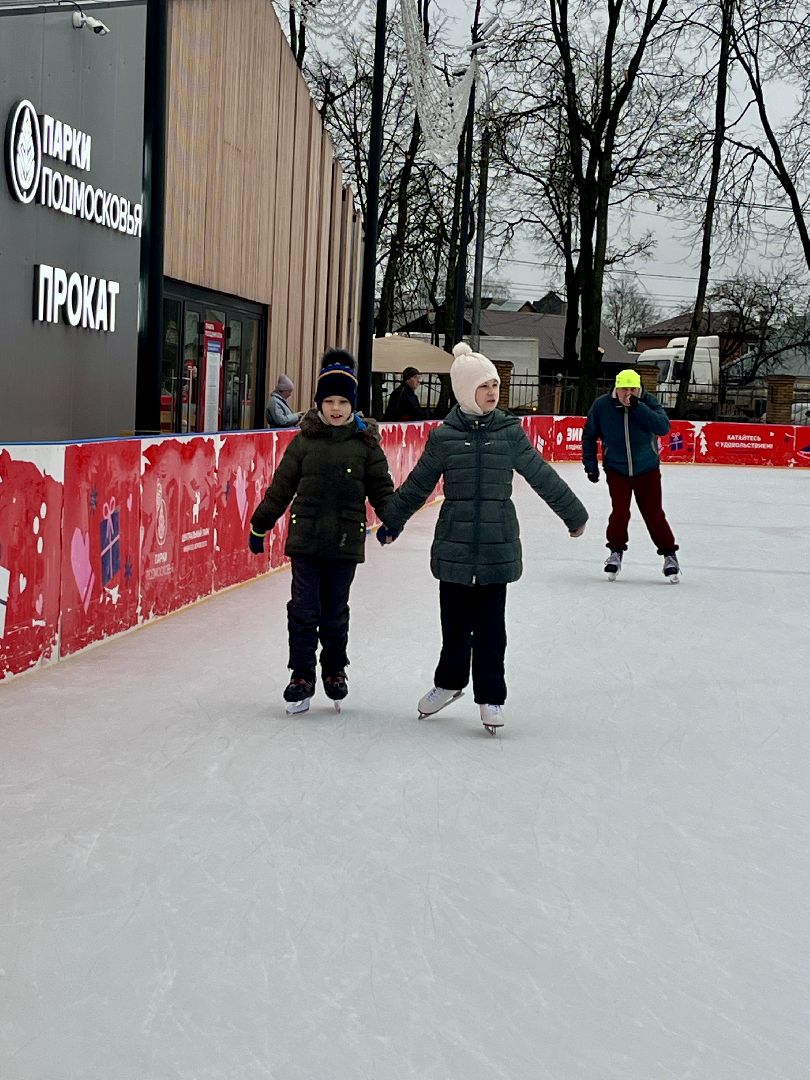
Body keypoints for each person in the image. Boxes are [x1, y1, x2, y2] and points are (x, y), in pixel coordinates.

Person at [376, 342, 588, 734]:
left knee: (492, 629)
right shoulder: (445, 437)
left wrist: (572, 514)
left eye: (494, 384)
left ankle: (490, 695)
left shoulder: (509, 432)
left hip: (496, 545)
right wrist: (392, 520)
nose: (491, 391)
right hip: (454, 543)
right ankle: (449, 683)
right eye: (483, 385)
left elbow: (542, 476)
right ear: (463, 391)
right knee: (453, 625)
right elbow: (419, 484)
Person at [248, 349, 394, 713]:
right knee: (303, 609)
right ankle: (301, 674)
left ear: (353, 405)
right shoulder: (304, 442)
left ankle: (333, 670)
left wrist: (393, 520)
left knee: (334, 610)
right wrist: (260, 523)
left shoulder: (366, 445)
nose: (335, 408)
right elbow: (281, 487)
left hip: (345, 541)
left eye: (343, 401)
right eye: (328, 400)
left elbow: (381, 489)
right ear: (318, 404)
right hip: (307, 540)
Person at [582, 368, 680, 581]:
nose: (628, 393)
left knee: (653, 513)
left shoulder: (648, 402)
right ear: (616, 388)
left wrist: (638, 407)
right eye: (624, 389)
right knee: (620, 512)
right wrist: (590, 465)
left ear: (639, 388)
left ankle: (669, 555)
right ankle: (615, 552)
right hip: (617, 469)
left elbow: (662, 427)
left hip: (647, 468)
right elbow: (589, 436)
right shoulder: (602, 406)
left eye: (633, 389)